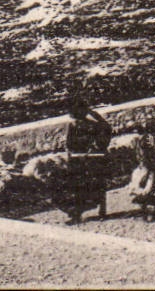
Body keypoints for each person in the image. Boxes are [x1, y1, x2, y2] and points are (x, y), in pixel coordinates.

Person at [61, 94, 113, 225]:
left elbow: (106, 132)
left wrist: (94, 148)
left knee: (95, 184)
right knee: (76, 187)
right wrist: (72, 152)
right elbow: (68, 143)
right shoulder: (73, 126)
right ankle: (77, 214)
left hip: (92, 159)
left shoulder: (93, 125)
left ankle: (100, 210)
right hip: (78, 159)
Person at [128, 122, 155, 221]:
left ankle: (149, 212)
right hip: (153, 168)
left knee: (148, 189)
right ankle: (153, 212)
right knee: (152, 189)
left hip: (151, 169)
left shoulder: (143, 140)